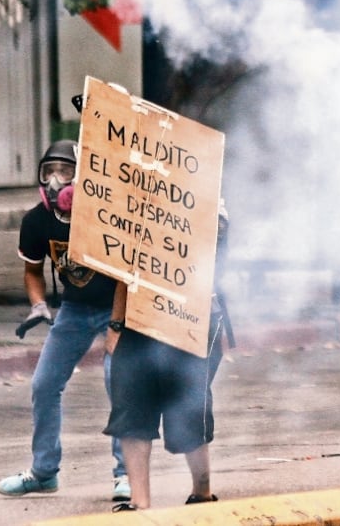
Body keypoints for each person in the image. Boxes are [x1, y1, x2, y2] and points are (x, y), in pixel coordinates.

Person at [0, 140, 129, 501]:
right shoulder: (35, 221)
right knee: (43, 384)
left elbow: (124, 275)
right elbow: (32, 270)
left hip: (116, 306)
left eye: (65, 172)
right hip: (74, 308)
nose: (55, 182)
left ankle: (126, 473)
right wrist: (38, 304)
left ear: (83, 177)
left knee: (118, 379)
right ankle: (43, 472)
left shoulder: (104, 214)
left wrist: (117, 327)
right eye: (48, 172)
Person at [103, 208, 230, 512]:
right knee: (131, 407)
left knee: (189, 408)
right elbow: (125, 268)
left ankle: (202, 492)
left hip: (190, 319)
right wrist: (116, 323)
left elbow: (218, 246)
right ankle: (139, 501)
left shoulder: (207, 197)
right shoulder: (134, 198)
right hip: (138, 319)